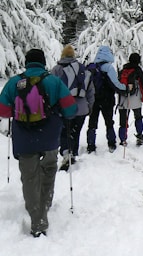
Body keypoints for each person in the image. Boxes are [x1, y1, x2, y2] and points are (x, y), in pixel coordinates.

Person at [0, 49, 77, 237]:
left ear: (26, 63)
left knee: (29, 178)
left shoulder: (14, 83)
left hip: (24, 138)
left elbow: (3, 111)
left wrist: (19, 114)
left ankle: (37, 217)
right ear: (43, 62)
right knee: (49, 169)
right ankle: (45, 204)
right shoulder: (54, 81)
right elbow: (71, 110)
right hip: (49, 136)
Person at [50, 45, 95, 171]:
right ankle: (73, 153)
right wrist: (89, 106)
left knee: (64, 132)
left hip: (64, 108)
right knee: (76, 131)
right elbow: (90, 91)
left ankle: (66, 153)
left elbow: (52, 89)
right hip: (82, 108)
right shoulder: (83, 70)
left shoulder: (57, 69)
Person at [86, 46, 127, 153]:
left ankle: (90, 145)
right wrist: (126, 88)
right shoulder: (108, 68)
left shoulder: (91, 68)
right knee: (109, 122)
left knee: (92, 122)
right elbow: (116, 84)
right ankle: (111, 143)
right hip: (107, 99)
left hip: (93, 99)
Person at [117, 53, 143, 146]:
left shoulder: (123, 70)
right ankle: (139, 136)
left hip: (123, 99)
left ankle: (123, 140)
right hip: (135, 98)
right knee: (138, 117)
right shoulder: (138, 70)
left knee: (123, 121)